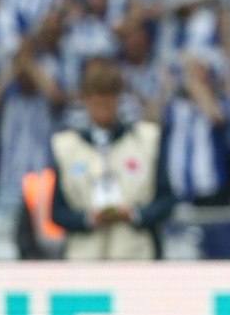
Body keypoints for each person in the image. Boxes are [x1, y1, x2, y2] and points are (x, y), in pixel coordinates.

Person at [48, 61, 176, 260]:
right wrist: (87, 219)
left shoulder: (146, 140)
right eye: (97, 103)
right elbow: (57, 212)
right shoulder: (67, 146)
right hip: (84, 261)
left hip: (136, 256)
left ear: (118, 100)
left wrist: (135, 214)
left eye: (109, 102)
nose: (103, 109)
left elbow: (166, 200)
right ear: (86, 101)